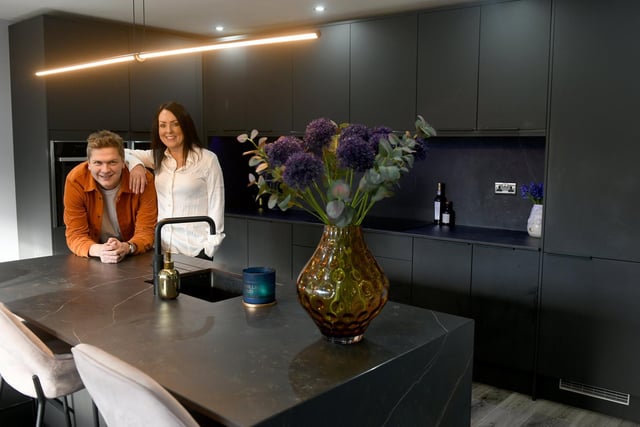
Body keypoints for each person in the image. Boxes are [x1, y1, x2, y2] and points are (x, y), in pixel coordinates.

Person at [126, 101, 225, 259]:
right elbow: (122, 153)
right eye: (163, 125)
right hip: (162, 249)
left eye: (175, 124)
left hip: (195, 249)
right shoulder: (157, 158)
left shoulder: (207, 159)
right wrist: (136, 165)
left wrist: (210, 247)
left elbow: (217, 204)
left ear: (185, 126)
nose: (168, 131)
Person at [64, 130, 157, 264]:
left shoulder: (144, 179)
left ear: (124, 162)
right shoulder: (75, 180)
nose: (105, 170)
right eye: (98, 163)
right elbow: (75, 234)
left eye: (112, 162)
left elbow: (146, 231)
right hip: (94, 255)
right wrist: (101, 250)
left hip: (134, 254)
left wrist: (127, 247)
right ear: (88, 164)